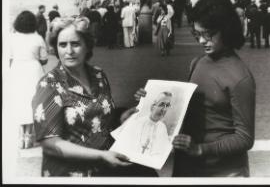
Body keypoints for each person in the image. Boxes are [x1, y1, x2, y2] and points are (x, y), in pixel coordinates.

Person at [136, 0, 256, 177]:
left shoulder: (240, 77)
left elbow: (245, 138)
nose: (201, 41)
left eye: (208, 35)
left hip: (222, 172)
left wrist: (201, 149)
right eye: (197, 34)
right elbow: (185, 109)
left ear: (225, 29)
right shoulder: (197, 62)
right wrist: (150, 100)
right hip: (188, 165)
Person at [32, 17, 157, 177]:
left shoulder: (98, 74)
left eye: (75, 44)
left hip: (107, 167)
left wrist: (122, 118)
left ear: (87, 46)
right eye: (62, 45)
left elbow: (101, 120)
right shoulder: (49, 84)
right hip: (72, 173)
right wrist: (101, 156)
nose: (69, 51)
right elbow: (50, 143)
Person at [9, 11, 48, 149]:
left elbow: (9, 57)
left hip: (17, 70)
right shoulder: (38, 38)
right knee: (32, 101)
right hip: (33, 70)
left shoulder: (12, 37)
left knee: (19, 101)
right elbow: (44, 59)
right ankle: (28, 135)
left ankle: (21, 137)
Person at [111, 92, 172, 156]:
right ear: (153, 106)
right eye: (161, 104)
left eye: (167, 105)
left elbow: (163, 151)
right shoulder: (137, 122)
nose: (164, 109)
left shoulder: (162, 127)